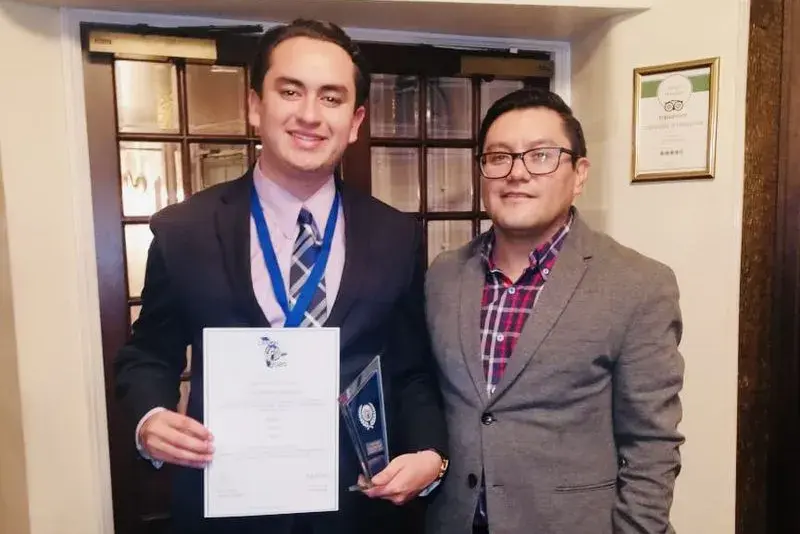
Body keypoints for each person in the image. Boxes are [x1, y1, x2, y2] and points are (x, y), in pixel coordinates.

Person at [114, 19, 448, 534]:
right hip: (227, 508)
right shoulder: (184, 231)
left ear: (355, 121)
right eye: (290, 91)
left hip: (359, 508)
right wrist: (149, 419)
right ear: (255, 105)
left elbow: (412, 370)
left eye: (332, 98)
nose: (310, 114)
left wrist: (430, 454)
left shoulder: (396, 235)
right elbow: (148, 354)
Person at [424, 88, 685, 534]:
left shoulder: (638, 285)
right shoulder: (444, 275)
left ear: (579, 174)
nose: (517, 173)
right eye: (499, 157)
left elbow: (652, 446)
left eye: (541, 156)